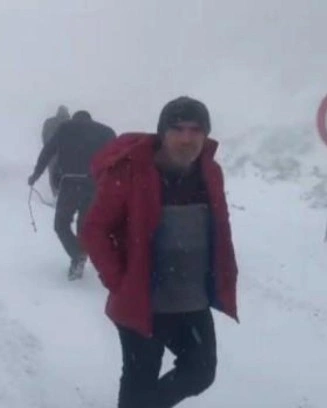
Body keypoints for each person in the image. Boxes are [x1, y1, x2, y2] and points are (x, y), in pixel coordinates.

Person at [81, 96, 239, 408]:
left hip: (192, 301)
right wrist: (120, 281)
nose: (186, 138)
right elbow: (94, 229)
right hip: (142, 301)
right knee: (139, 381)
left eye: (195, 130)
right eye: (178, 129)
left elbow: (219, 227)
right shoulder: (131, 171)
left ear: (205, 135)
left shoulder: (211, 172)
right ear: (162, 133)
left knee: (201, 371)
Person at [28, 110, 116, 280]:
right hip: (94, 185)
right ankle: (79, 258)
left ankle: (77, 256)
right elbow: (119, 157)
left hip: (70, 184)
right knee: (84, 226)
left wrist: (35, 175)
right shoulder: (106, 132)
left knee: (61, 224)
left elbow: (47, 152)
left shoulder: (65, 128)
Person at [40, 105, 70, 197]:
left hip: (51, 153)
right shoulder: (69, 123)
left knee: (52, 173)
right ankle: (65, 196)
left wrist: (47, 149)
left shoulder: (49, 122)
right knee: (66, 174)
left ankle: (55, 195)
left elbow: (44, 136)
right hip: (67, 154)